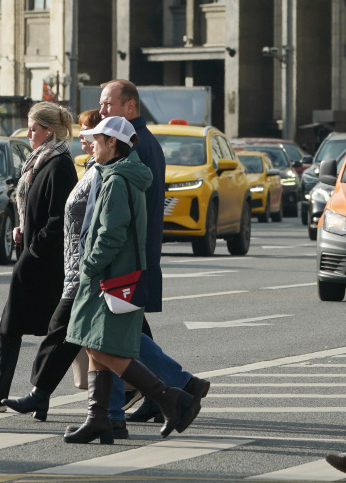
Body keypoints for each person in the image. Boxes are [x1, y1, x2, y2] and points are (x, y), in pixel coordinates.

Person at [63, 116, 193, 445]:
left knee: (100, 346)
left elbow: (111, 234)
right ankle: (102, 420)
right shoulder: (116, 174)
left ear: (113, 144)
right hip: (112, 275)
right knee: (94, 347)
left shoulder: (117, 180)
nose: (91, 144)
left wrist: (89, 267)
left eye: (98, 139)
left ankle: (168, 398)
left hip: (109, 277)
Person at [97, 80, 210, 426]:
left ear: (130, 108)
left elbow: (126, 213)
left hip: (128, 261)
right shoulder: (140, 143)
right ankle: (161, 391)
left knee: (112, 337)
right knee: (122, 336)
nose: (102, 112)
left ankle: (167, 389)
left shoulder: (136, 147)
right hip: (132, 259)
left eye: (108, 105)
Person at [0, 101, 77, 413]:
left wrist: (33, 248)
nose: (29, 133)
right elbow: (35, 210)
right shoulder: (39, 162)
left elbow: (58, 220)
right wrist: (21, 228)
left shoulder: (59, 165)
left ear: (48, 132)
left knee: (31, 329)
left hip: (44, 263)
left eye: (33, 128)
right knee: (35, 329)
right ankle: (17, 394)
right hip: (35, 257)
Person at [1, 109, 102, 421]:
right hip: (78, 265)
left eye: (91, 136)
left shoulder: (67, 165)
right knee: (85, 333)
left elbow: (84, 221)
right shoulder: (88, 167)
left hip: (87, 267)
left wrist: (36, 248)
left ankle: (171, 388)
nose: (85, 141)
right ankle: (104, 409)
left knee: (66, 330)